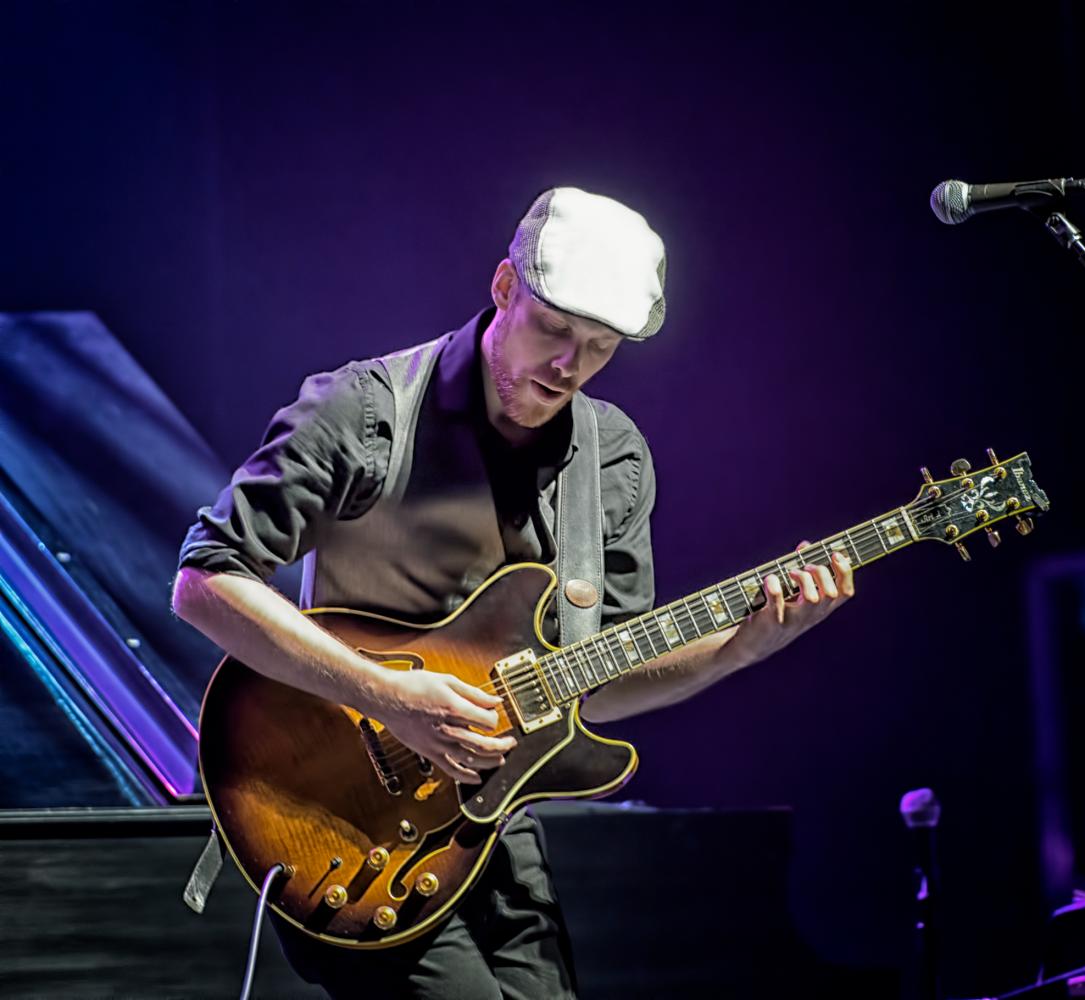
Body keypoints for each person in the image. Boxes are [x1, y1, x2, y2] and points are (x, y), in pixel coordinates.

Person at [171, 186, 855, 999]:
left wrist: (741, 649)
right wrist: (388, 696)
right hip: (335, 816)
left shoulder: (613, 459)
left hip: (490, 820)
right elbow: (204, 581)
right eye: (555, 329)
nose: (569, 364)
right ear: (503, 288)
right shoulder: (363, 410)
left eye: (600, 346)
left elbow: (597, 683)